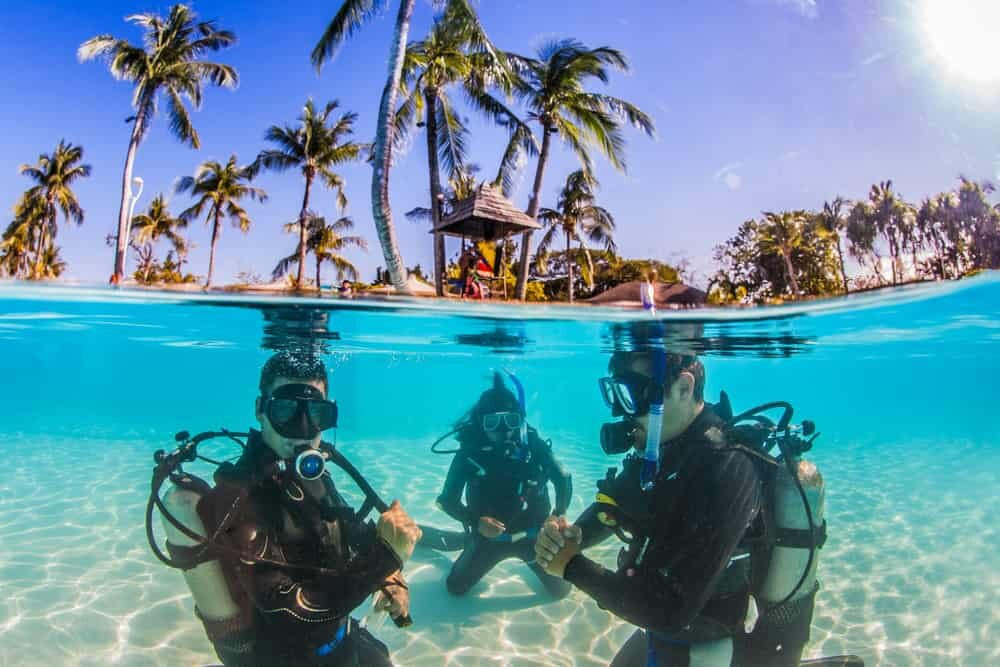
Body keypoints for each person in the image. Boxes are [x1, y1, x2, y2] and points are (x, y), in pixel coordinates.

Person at [160, 351, 421, 666]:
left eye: (317, 414)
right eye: (286, 411)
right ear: (261, 410)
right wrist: (385, 557)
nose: (303, 429)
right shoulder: (239, 499)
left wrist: (391, 578)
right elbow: (291, 616)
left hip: (342, 641)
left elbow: (348, 527)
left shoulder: (310, 471)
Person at [534, 348, 772, 665]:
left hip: (707, 640)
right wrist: (576, 534)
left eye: (632, 394)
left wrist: (571, 566)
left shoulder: (728, 468)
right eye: (616, 394)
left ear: (684, 388)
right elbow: (616, 505)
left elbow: (670, 610)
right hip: (660, 624)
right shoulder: (663, 449)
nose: (623, 413)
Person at [434, 371, 573, 598]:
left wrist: (558, 515)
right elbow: (447, 500)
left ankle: (468, 541)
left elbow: (563, 478)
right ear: (480, 423)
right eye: (492, 422)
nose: (504, 430)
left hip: (535, 536)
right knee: (455, 587)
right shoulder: (469, 453)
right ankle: (467, 540)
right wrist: (475, 522)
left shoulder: (534, 446)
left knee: (560, 591)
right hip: (489, 539)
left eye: (511, 420)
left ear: (520, 419)